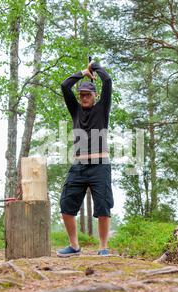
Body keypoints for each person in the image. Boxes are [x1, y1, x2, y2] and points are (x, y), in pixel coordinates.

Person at [57, 60, 114, 257]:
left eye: (88, 94)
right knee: (66, 206)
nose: (84, 97)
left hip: (100, 165)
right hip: (79, 166)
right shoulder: (75, 110)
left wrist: (95, 66)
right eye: (81, 94)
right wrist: (83, 72)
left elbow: (108, 81)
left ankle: (103, 247)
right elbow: (65, 85)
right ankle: (74, 246)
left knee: (103, 207)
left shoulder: (102, 108)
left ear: (94, 96)